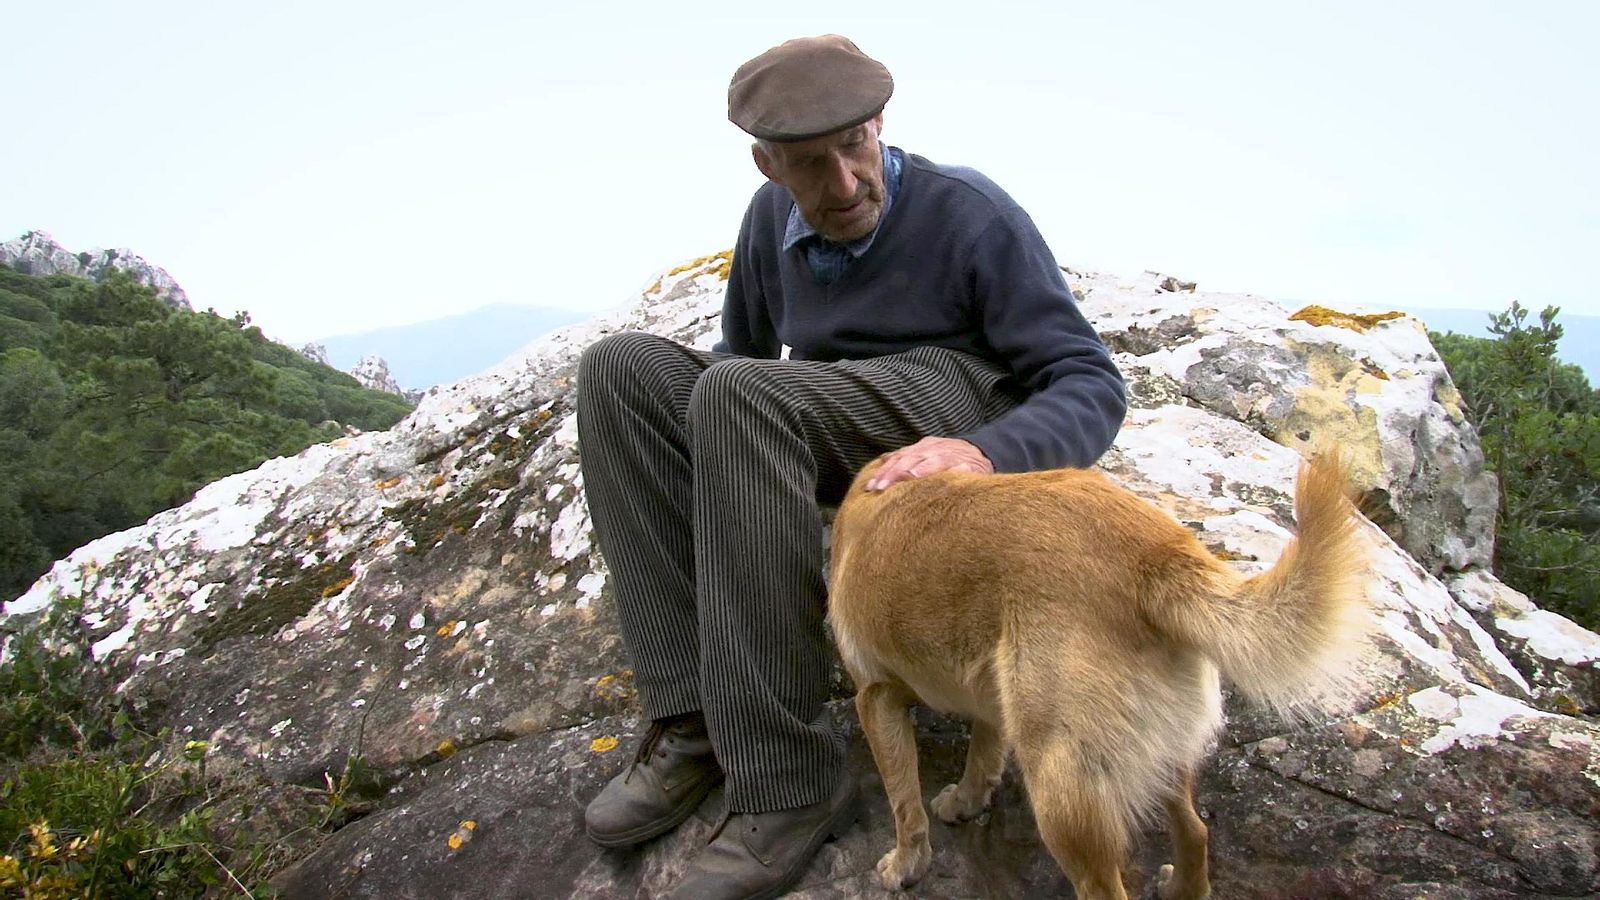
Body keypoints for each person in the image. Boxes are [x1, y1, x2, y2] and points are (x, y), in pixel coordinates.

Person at [576, 34, 1127, 899]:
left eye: (855, 148)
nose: (842, 184)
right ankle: (694, 721)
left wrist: (989, 451)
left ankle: (789, 778)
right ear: (766, 164)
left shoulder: (969, 214)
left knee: (738, 394)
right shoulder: (768, 221)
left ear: (880, 124)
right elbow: (739, 357)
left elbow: (1091, 380)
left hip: (943, 402)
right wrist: (713, 449)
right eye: (807, 163)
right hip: (833, 409)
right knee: (619, 371)